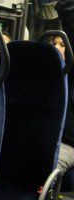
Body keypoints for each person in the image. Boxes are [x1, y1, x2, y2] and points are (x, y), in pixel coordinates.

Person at [54, 0, 74, 174]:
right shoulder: (46, 75)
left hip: (68, 142)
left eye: (62, 45)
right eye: (54, 44)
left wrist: (68, 7)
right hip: (46, 136)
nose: (56, 48)